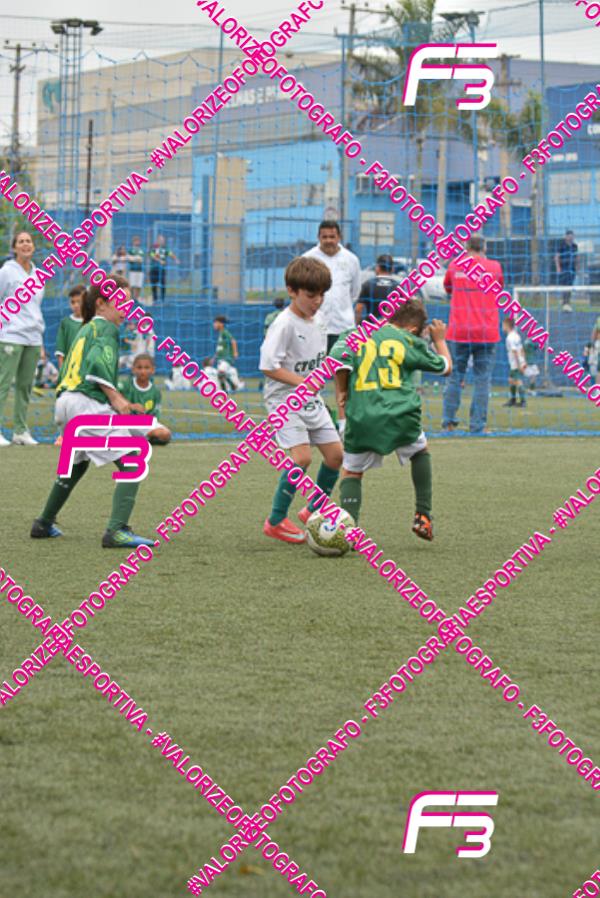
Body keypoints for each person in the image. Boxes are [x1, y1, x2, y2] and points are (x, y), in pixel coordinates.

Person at [30, 276, 155, 548]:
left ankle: (43, 523)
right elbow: (97, 365)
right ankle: (117, 531)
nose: (126, 309)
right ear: (101, 303)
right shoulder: (107, 328)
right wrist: (116, 399)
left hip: (65, 402)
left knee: (76, 463)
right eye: (121, 302)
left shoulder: (86, 329)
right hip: (85, 403)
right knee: (133, 459)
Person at [331, 299, 451, 542]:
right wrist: (439, 340)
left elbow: (338, 361)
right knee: (419, 451)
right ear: (413, 329)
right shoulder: (407, 340)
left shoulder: (355, 334)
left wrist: (342, 390)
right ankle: (423, 515)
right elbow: (445, 367)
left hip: (362, 415)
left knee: (352, 471)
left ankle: (349, 531)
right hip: (401, 413)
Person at [259, 256, 343, 544]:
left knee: (336, 456)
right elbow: (268, 366)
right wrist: (303, 382)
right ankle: (275, 521)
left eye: (321, 295)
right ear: (292, 291)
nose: (317, 301)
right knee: (302, 458)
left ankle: (313, 510)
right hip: (284, 400)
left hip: (310, 398)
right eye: (310, 295)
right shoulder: (283, 324)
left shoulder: (320, 319)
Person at [442, 235, 503, 434]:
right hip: (486, 331)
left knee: (454, 377)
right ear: (484, 248)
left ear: (466, 248)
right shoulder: (494, 267)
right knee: (482, 379)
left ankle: (448, 422)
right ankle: (478, 425)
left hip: (460, 330)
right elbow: (499, 289)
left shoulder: (455, 265)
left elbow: (448, 288)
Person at [0, 231, 46, 447]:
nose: (25, 244)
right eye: (21, 241)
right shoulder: (6, 272)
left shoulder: (39, 276)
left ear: (33, 247)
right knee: (3, 383)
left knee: (25, 386)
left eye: (29, 241)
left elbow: (35, 308)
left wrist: (41, 340)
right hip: (10, 335)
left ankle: (20, 430)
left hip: (33, 338)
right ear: (14, 247)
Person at [303, 220, 361, 351]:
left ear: (339, 237)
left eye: (332, 237)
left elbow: (355, 292)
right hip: (314, 327)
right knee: (316, 364)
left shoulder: (351, 260)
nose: (328, 240)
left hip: (343, 328)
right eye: (324, 237)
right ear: (318, 238)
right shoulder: (307, 259)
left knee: (342, 363)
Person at [119, 353, 171, 445]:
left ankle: (138, 439)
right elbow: (114, 397)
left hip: (144, 424)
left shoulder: (155, 392)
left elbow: (155, 415)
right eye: (139, 368)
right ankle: (138, 438)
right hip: (126, 422)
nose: (143, 371)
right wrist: (130, 406)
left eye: (146, 368)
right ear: (133, 369)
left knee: (165, 434)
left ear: (153, 370)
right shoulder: (125, 385)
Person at [355, 254, 401, 322]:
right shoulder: (398, 287)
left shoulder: (368, 284)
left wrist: (358, 324)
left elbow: (358, 309)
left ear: (377, 268)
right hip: (390, 326)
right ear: (392, 269)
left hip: (371, 326)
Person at [55, 284, 85, 375]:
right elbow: (60, 351)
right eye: (73, 302)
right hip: (70, 372)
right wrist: (62, 372)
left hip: (88, 371)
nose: (76, 305)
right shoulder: (65, 323)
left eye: (79, 302)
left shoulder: (92, 322)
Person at [502, 318, 527, 408]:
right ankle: (513, 400)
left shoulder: (510, 338)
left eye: (503, 325)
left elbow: (515, 351)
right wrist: (524, 361)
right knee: (511, 380)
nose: (502, 327)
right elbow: (522, 349)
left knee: (518, 381)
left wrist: (519, 365)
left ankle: (523, 402)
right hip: (519, 361)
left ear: (506, 325)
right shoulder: (516, 335)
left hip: (516, 363)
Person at [149, 234, 179, 303]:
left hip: (162, 270)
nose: (162, 241)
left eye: (163, 240)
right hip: (153, 269)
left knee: (163, 284)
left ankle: (162, 299)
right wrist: (160, 261)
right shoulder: (153, 247)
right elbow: (152, 255)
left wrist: (176, 259)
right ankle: (155, 300)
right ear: (157, 240)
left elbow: (171, 254)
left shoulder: (165, 249)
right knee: (154, 285)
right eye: (160, 240)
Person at [554, 230, 578, 312]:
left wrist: (576, 267)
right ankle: (565, 302)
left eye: (572, 236)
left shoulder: (575, 246)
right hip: (564, 268)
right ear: (566, 237)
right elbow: (557, 256)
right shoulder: (562, 245)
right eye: (569, 236)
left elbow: (576, 257)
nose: (570, 237)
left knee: (570, 285)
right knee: (565, 285)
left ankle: (567, 302)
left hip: (572, 269)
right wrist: (558, 267)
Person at [127, 236, 145, 301]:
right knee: (132, 285)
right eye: (135, 241)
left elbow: (141, 259)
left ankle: (136, 299)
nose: (137, 242)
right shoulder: (131, 250)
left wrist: (134, 258)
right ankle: (131, 298)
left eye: (138, 241)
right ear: (133, 242)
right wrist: (136, 258)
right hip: (132, 270)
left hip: (140, 270)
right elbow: (129, 258)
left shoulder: (141, 250)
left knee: (138, 285)